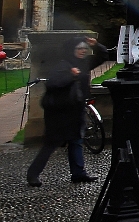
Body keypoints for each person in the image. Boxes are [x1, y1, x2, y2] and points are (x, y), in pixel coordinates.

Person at [26, 36, 107, 187]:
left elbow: (103, 57)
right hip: (59, 113)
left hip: (76, 109)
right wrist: (71, 75)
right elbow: (53, 84)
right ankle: (33, 174)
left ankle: (78, 173)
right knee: (51, 144)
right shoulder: (62, 65)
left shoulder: (84, 63)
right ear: (72, 50)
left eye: (84, 48)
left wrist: (96, 45)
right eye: (79, 48)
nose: (83, 51)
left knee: (76, 141)